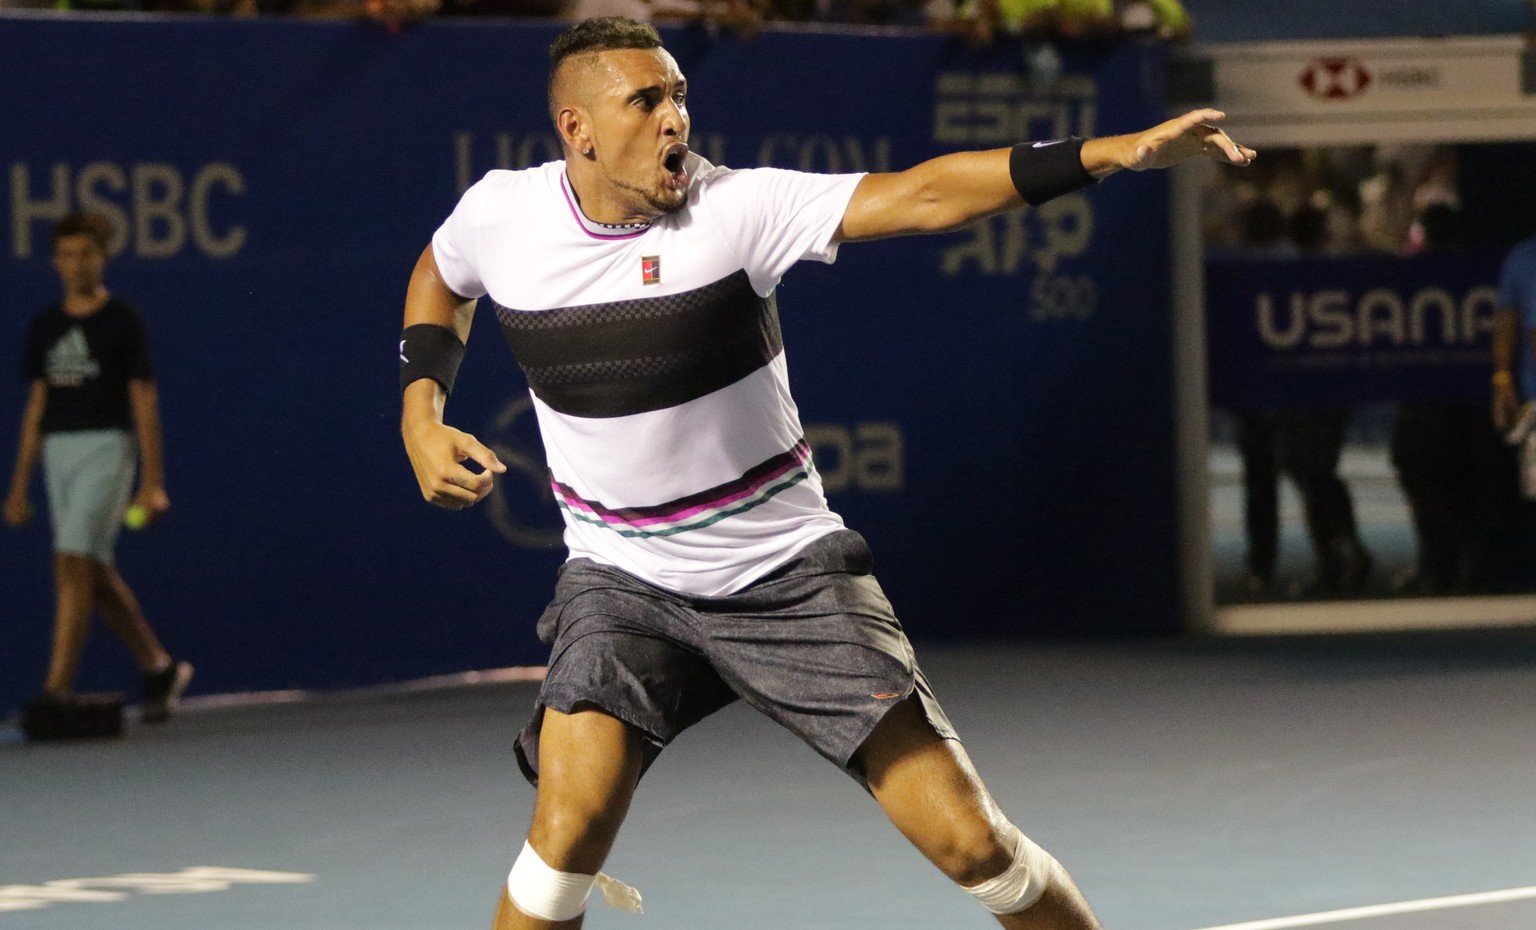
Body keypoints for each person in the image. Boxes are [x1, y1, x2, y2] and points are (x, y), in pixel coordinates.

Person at [397, 17, 1253, 929]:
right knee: (563, 841)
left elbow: (926, 193)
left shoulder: (737, 211)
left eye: (679, 94)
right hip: (622, 581)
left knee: (972, 845)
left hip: (787, 576)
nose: (674, 117)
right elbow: (442, 277)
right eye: (645, 101)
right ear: (578, 130)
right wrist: (421, 413)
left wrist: (1112, 153)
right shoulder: (502, 215)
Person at [4, 212, 193, 729]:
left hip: (108, 451)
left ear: (101, 258)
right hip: (58, 457)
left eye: (85, 254)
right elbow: (36, 408)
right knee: (91, 571)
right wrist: (18, 486)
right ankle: (159, 667)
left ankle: (55, 689)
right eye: (65, 255)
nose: (74, 265)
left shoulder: (122, 321)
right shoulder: (46, 325)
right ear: (54, 261)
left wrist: (151, 482)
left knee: (71, 563)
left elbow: (144, 401)